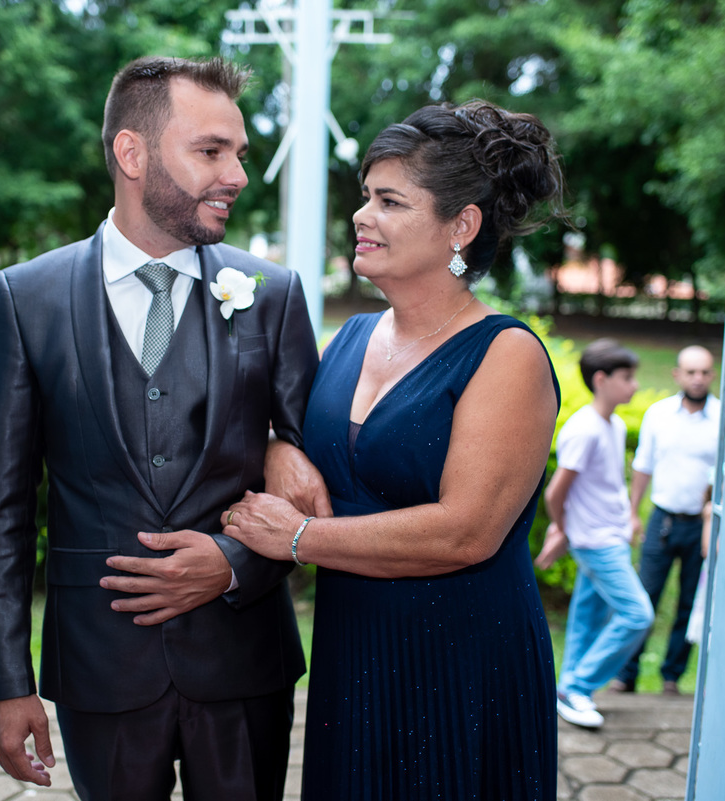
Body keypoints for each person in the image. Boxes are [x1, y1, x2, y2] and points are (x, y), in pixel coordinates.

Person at [0, 56, 324, 801]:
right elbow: (1, 510)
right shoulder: (26, 298)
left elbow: (312, 476)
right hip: (99, 661)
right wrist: (8, 683)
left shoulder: (273, 296)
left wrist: (233, 561)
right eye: (210, 151)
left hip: (242, 658)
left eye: (239, 154)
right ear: (133, 154)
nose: (236, 175)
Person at [221, 100, 565, 799]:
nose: (361, 215)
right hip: (355, 650)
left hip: (461, 661)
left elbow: (466, 531)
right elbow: (287, 435)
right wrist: (274, 446)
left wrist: (301, 538)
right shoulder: (351, 337)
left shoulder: (506, 355)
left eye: (389, 200)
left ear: (460, 226)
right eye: (364, 197)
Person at [535, 339, 655, 729]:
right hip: (595, 543)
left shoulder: (614, 424)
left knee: (587, 617)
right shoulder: (584, 430)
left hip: (611, 536)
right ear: (601, 380)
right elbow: (555, 492)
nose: (634, 386)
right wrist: (563, 529)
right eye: (627, 378)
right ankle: (578, 687)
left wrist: (629, 518)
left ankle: (567, 688)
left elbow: (607, 486)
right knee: (638, 614)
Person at [610, 346, 719, 695]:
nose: (698, 379)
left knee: (689, 600)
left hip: (701, 526)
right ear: (677, 375)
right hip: (663, 520)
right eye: (691, 372)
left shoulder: (724, 418)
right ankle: (626, 675)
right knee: (645, 597)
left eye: (704, 372)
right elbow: (643, 466)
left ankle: (672, 677)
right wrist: (632, 512)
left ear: (712, 375)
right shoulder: (659, 415)